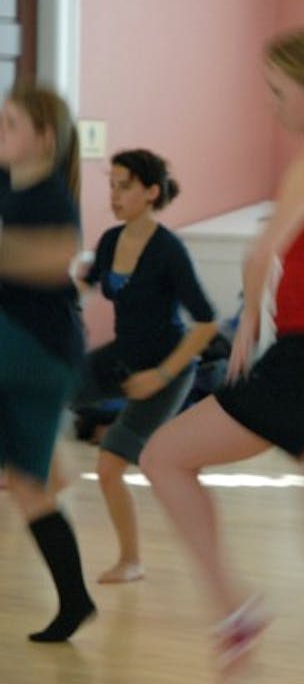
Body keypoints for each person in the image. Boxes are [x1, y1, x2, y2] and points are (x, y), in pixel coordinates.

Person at [139, 23, 304, 677]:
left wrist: (252, 316)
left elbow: (262, 251)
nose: (271, 104)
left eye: (277, 91)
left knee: (162, 457)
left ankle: (233, 609)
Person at [72, 149, 217, 584]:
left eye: (125, 186)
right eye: (111, 186)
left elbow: (206, 323)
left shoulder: (169, 250)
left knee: (109, 465)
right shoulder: (112, 240)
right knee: (47, 387)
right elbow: (86, 285)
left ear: (151, 192)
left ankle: (131, 561)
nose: (114, 196)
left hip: (167, 368)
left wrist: (160, 376)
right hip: (124, 356)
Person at [0, 81, 96, 642]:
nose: (1, 132)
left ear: (42, 137)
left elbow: (54, 259)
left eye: (10, 123)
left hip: (37, 350)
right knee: (30, 487)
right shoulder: (8, 186)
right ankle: (75, 600)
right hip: (33, 356)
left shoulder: (53, 199)